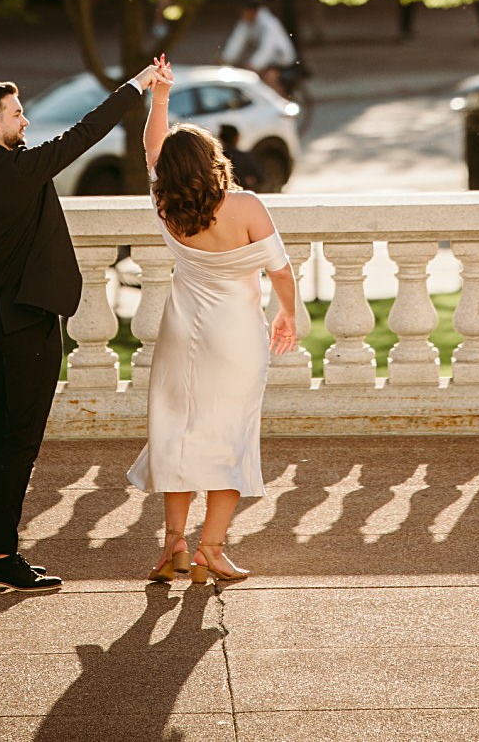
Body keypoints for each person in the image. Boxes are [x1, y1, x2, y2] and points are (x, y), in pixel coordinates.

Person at [0, 66, 161, 592]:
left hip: (1, 323)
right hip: (29, 323)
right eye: (18, 113)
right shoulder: (18, 171)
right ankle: (0, 556)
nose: (26, 120)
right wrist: (137, 87)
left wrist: (1, 309)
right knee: (19, 442)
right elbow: (86, 133)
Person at [128, 56, 297, 585]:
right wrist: (291, 314)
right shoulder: (245, 206)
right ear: (213, 160)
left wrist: (160, 96)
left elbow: (152, 147)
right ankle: (211, 550)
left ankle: (172, 547)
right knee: (231, 438)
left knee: (178, 436)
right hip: (235, 335)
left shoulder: (165, 203)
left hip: (182, 332)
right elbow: (281, 270)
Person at [221, 0, 297, 98]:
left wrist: (254, 64)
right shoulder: (246, 22)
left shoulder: (269, 23)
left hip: (281, 59)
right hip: (266, 60)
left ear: (253, 11)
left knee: (269, 79)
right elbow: (236, 41)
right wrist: (226, 58)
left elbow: (267, 48)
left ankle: (283, 105)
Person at [217, 122, 264, 193]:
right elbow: (260, 178)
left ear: (220, 138)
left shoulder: (216, 158)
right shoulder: (246, 157)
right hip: (243, 193)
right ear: (237, 138)